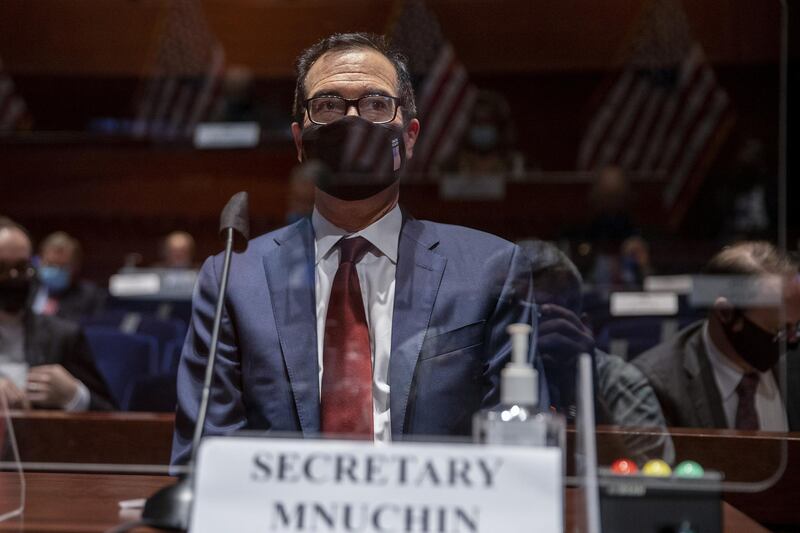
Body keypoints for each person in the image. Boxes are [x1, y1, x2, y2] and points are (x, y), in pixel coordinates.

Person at [172, 33, 536, 464]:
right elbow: (208, 455)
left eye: (376, 104)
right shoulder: (234, 278)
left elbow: (517, 451)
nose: (352, 121)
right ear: (299, 141)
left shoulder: (489, 269)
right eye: (327, 105)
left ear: (411, 135)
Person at [518, 239, 673, 462]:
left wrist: (584, 392)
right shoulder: (477, 366)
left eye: (543, 316)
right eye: (519, 317)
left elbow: (651, 479)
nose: (529, 329)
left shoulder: (616, 380)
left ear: (581, 326)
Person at [633, 241, 800, 431]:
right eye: (781, 330)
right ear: (725, 313)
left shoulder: (795, 364)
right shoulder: (657, 386)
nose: (793, 340)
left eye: (797, 326)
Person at [0, 218, 115, 411]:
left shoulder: (63, 336)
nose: (13, 277)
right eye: (1, 268)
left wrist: (75, 396)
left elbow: (113, 418)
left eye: (21, 268)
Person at [32, 231, 105, 322]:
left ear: (75, 267)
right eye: (50, 265)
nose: (55, 271)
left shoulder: (90, 296)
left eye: (62, 266)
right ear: (40, 261)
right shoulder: (28, 289)